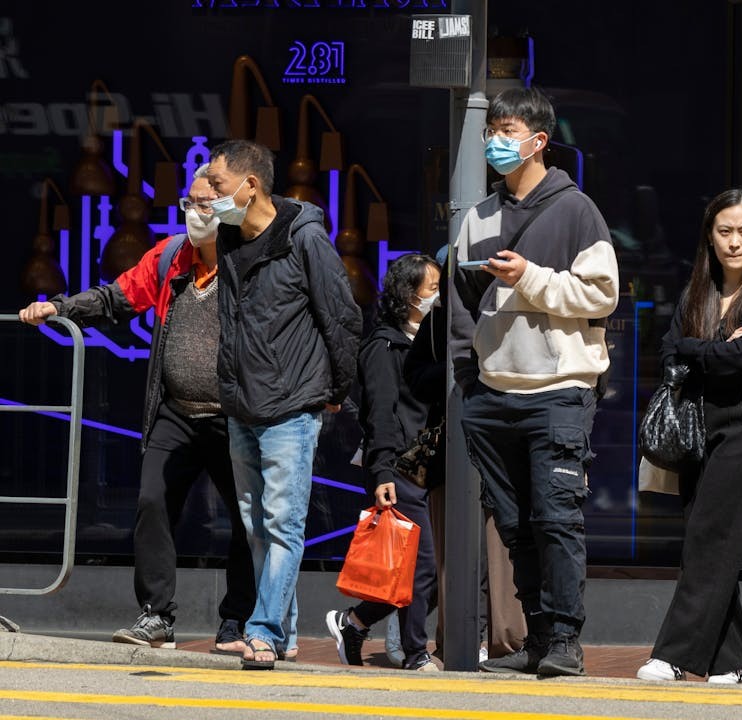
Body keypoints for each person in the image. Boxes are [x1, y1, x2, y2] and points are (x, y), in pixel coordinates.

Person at [17, 166, 254, 656]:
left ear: (230, 205)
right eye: (189, 204)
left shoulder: (250, 262)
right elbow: (115, 299)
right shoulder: (170, 256)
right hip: (177, 410)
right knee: (152, 503)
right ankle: (157, 617)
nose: (196, 213)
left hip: (236, 416)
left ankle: (237, 621)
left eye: (205, 203)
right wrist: (58, 307)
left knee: (246, 519)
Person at [451, 87, 619, 678]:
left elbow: (601, 295)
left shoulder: (577, 211)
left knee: (557, 517)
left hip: (559, 388)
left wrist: (531, 278)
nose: (494, 140)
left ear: (538, 141)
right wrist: (470, 377)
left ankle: (566, 642)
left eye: (506, 130)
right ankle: (540, 639)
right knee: (514, 522)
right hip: (493, 390)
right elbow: (463, 304)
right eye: (490, 129)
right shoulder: (478, 216)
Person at [205, 139, 361, 670]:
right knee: (256, 524)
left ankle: (264, 629)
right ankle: (284, 632)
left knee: (284, 522)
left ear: (251, 186)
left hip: (292, 405)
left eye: (218, 184)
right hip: (242, 405)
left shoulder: (305, 238)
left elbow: (339, 316)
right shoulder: (227, 237)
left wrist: (337, 390)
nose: (211, 194)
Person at [635, 189, 742, 686]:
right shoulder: (696, 290)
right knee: (707, 543)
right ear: (710, 234)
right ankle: (735, 662)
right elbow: (667, 350)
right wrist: (711, 347)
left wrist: (695, 348)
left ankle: (674, 655)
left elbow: (739, 363)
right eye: (725, 231)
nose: (734, 242)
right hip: (695, 428)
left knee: (711, 538)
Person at [405, 245, 525, 667]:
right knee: (452, 553)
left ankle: (506, 643)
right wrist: (457, 371)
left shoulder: (514, 310)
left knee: (503, 551)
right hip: (451, 453)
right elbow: (414, 378)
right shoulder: (437, 321)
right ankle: (454, 640)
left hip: (504, 452)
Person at [325, 254, 442, 672]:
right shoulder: (383, 346)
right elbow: (380, 415)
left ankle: (354, 622)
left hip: (430, 467)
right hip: (401, 469)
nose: (438, 296)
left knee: (418, 566)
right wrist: (383, 472)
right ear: (410, 296)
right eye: (432, 289)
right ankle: (415, 653)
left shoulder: (427, 343)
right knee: (420, 564)